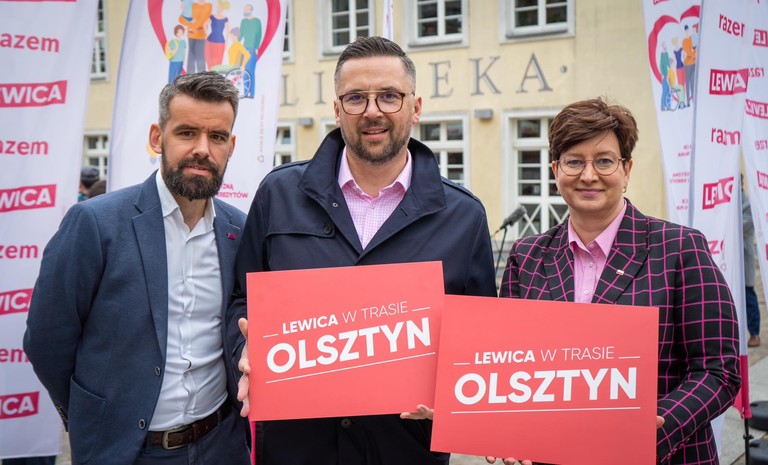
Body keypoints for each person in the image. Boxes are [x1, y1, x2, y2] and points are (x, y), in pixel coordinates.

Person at [226, 36, 497, 465]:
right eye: (356, 98)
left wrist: (455, 400)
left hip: (404, 452)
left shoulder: (463, 216)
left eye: (389, 96)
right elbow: (240, 299)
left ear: (415, 107)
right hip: (296, 450)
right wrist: (242, 349)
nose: (372, 111)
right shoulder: (279, 194)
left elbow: (479, 343)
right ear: (337, 110)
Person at [498, 98, 740, 465]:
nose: (588, 175)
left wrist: (654, 426)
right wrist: (495, 424)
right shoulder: (526, 257)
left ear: (626, 170)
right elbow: (508, 368)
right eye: (574, 161)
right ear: (555, 170)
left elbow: (718, 371)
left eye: (604, 161)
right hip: (553, 456)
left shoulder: (680, 249)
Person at [24, 72, 250, 465]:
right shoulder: (95, 224)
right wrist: (91, 417)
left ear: (230, 147)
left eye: (216, 137)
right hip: (126, 452)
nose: (202, 149)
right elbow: (47, 340)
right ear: (157, 138)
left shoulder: (239, 230)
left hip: (222, 445)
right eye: (187, 133)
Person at [744, 187, 762, 347]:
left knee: (748, 296)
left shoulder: (747, 204)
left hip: (744, 258)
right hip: (727, 260)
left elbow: (745, 226)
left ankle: (755, 333)